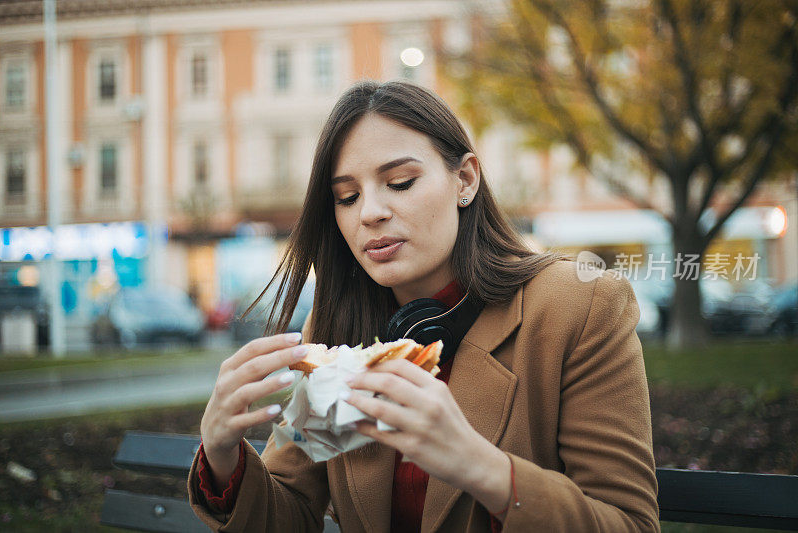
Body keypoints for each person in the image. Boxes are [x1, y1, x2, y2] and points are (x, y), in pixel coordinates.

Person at [187, 79, 660, 532]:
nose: (369, 212)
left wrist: (480, 466)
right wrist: (223, 456)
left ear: (465, 180)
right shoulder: (335, 327)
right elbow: (289, 515)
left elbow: (629, 523)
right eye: (347, 197)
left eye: (400, 182)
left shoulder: (580, 306)